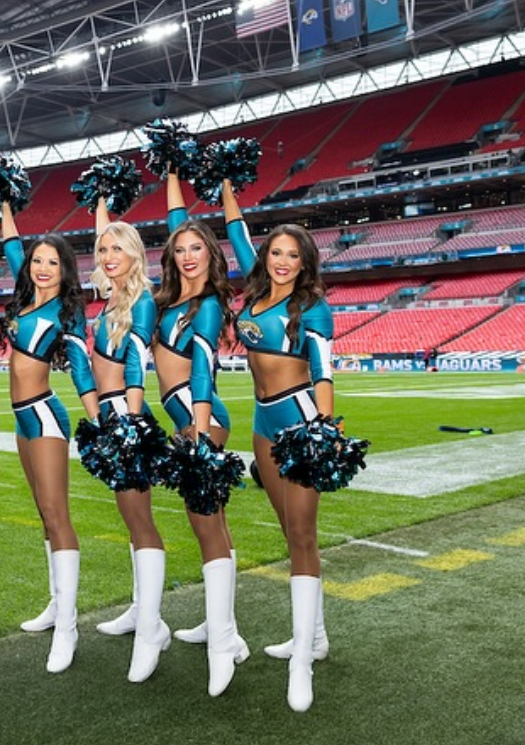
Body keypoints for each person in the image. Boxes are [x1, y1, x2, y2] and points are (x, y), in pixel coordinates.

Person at [222, 179, 334, 713]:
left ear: (305, 262)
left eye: (293, 255)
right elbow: (236, 232)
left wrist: (323, 432)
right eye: (276, 253)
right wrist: (226, 184)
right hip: (262, 423)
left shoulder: (312, 306)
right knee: (289, 532)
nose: (283, 262)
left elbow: (324, 373)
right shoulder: (257, 291)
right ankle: (315, 636)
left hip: (300, 421)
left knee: (304, 535)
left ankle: (302, 662)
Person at [156, 172, 251, 688]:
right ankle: (223, 626)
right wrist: (172, 173)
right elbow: (178, 222)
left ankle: (224, 644)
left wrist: (197, 432)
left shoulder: (208, 306)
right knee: (212, 524)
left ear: (212, 255)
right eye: (181, 249)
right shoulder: (172, 298)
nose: (188, 255)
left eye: (197, 248)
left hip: (201, 419)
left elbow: (200, 367)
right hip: (190, 419)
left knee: (206, 525)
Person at [0, 201, 99, 673]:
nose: (41, 268)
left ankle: (69, 627)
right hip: (21, 420)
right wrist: (4, 199)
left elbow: (80, 368)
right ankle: (57, 605)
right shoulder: (25, 300)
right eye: (37, 260)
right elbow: (11, 246)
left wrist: (98, 419)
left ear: (65, 270)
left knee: (58, 515)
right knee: (43, 512)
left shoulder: (67, 311)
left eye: (52, 262)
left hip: (44, 416)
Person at [90, 199, 167, 683]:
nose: (108, 255)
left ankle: (152, 630)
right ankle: (142, 610)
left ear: (136, 254)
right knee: (130, 518)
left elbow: (137, 360)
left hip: (126, 415)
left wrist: (132, 423)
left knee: (141, 521)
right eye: (103, 249)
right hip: (111, 416)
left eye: (118, 248)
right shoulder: (111, 299)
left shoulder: (141, 301)